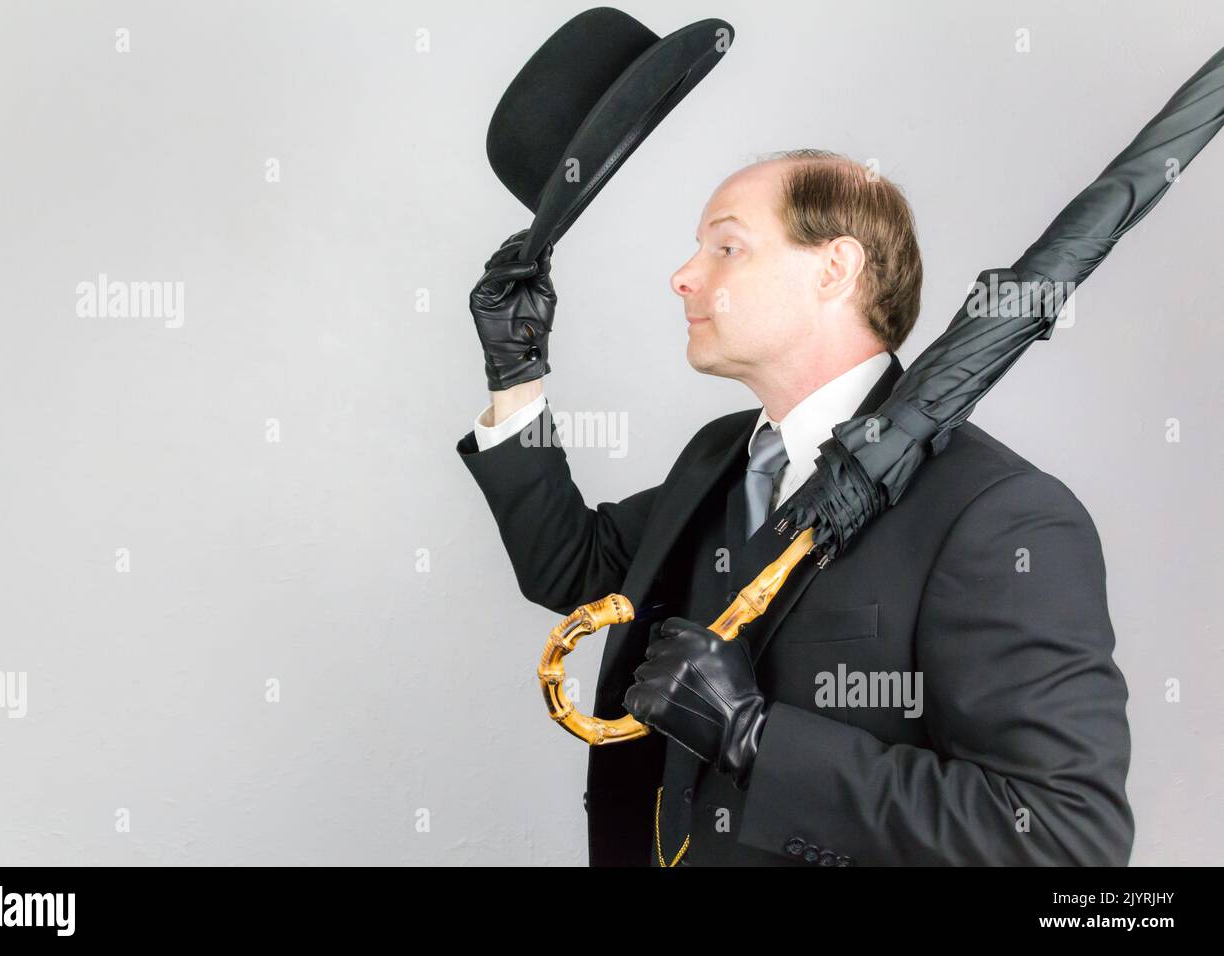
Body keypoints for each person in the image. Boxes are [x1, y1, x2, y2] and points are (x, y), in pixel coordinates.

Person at [457, 149, 1135, 866]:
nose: (684, 276)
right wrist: (516, 374)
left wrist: (755, 738)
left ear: (834, 268)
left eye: (726, 247)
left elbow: (1064, 838)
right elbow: (572, 566)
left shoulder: (1003, 516)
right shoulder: (722, 456)